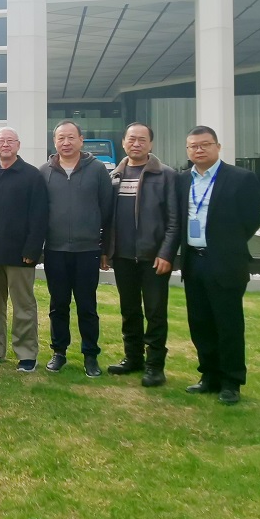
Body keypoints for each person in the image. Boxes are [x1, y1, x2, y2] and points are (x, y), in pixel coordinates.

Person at [178, 126, 260, 405]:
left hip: (225, 262)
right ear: (188, 150)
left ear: (218, 146)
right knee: (200, 323)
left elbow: (253, 219)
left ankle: (231, 381)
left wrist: (227, 244)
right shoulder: (183, 180)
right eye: (193, 146)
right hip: (194, 261)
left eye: (205, 144)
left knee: (228, 324)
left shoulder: (241, 178)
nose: (199, 150)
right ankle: (209, 375)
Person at [102, 123, 180, 387]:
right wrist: (107, 251)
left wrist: (166, 253)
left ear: (151, 144)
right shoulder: (115, 175)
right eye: (131, 139)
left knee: (155, 312)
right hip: (123, 257)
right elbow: (108, 219)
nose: (136, 144)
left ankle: (155, 366)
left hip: (153, 258)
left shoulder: (166, 175)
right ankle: (133, 358)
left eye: (142, 139)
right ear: (123, 142)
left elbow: (174, 220)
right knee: (129, 310)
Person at [40, 121, 114, 377]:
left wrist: (105, 249)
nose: (66, 142)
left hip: (87, 250)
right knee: (58, 305)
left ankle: (90, 355)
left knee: (87, 306)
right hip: (55, 250)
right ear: (54, 142)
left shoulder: (97, 170)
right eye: (61, 138)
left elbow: (107, 211)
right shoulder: (45, 171)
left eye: (71, 137)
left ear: (81, 140)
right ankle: (59, 352)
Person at [0, 127, 48, 372]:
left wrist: (32, 249)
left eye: (10, 141)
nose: (5, 144)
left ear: (18, 145)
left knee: (23, 305)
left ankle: (26, 353)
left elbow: (39, 216)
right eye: (1, 141)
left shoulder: (32, 176)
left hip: (21, 254)